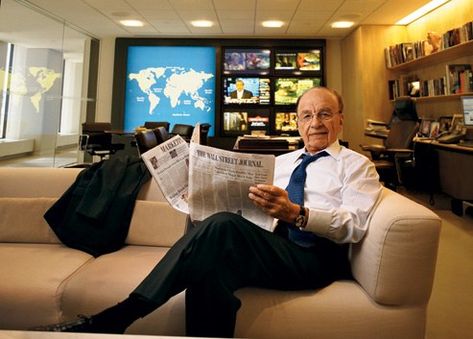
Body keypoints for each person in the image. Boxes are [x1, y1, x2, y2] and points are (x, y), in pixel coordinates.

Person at [34, 87, 382, 337]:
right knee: (209, 267)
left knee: (223, 230)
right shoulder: (281, 161)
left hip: (315, 256)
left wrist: (297, 214)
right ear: (297, 122)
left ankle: (120, 316)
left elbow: (354, 226)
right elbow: (252, 210)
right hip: (271, 246)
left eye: (324, 113)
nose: (315, 123)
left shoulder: (357, 166)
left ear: (340, 118)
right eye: (306, 115)